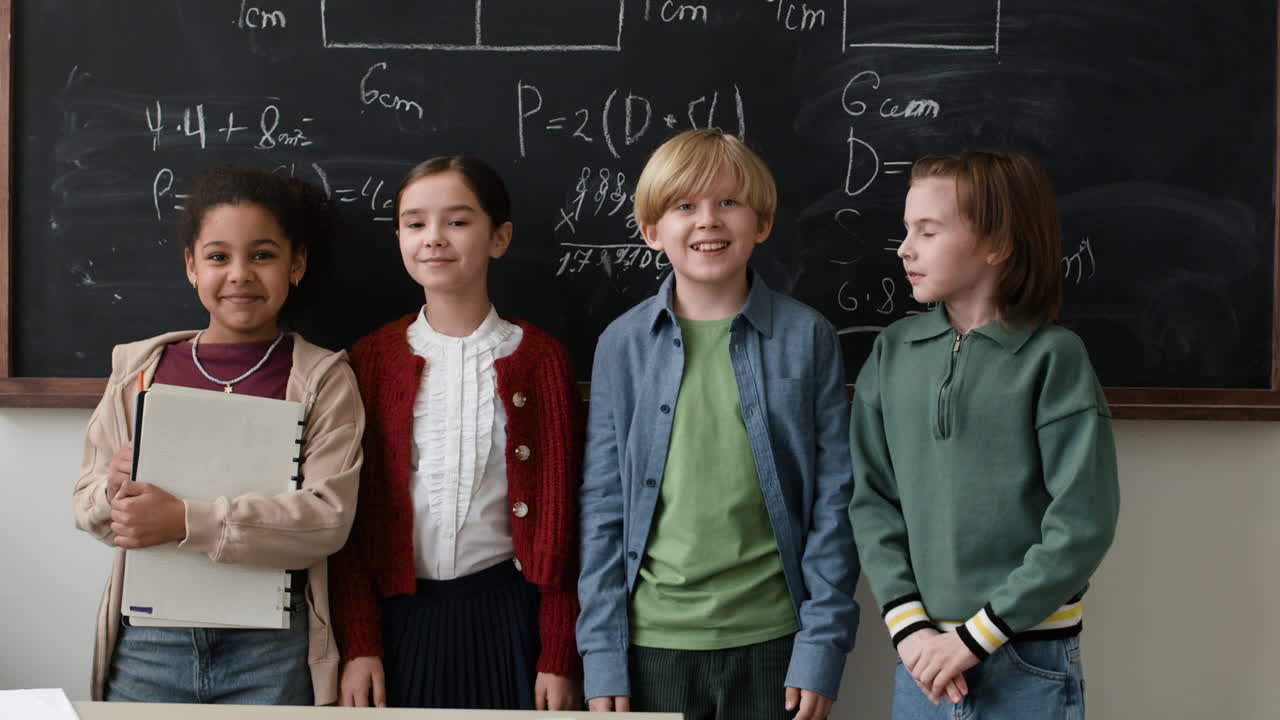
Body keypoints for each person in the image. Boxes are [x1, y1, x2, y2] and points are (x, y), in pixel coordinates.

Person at [577, 129, 859, 720]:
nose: (708, 220)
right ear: (652, 231)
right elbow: (603, 506)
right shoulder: (621, 346)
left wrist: (822, 646)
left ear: (762, 222)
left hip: (775, 641)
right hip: (652, 642)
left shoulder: (808, 339)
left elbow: (836, 503)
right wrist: (602, 653)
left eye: (728, 202)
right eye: (684, 206)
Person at [72, 165, 365, 705]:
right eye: (217, 256)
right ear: (190, 266)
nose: (239, 275)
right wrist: (115, 492)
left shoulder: (322, 379)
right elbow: (86, 506)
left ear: (295, 263)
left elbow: (327, 520)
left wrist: (186, 520)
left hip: (269, 648)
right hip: (150, 643)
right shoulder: (141, 369)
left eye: (262, 255)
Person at [849, 150, 1120, 719]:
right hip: (921, 659)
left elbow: (1081, 524)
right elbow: (872, 501)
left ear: (997, 244)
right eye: (906, 230)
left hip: (1028, 657)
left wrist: (973, 639)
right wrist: (912, 631)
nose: (905, 248)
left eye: (928, 230)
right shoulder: (893, 353)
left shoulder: (1053, 359)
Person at [328, 155, 583, 710]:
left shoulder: (539, 361)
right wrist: (361, 644)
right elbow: (350, 521)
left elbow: (562, 523)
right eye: (415, 223)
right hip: (398, 625)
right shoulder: (370, 360)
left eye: (458, 221)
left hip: (510, 620)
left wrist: (559, 653)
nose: (434, 239)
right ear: (398, 236)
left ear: (500, 237)